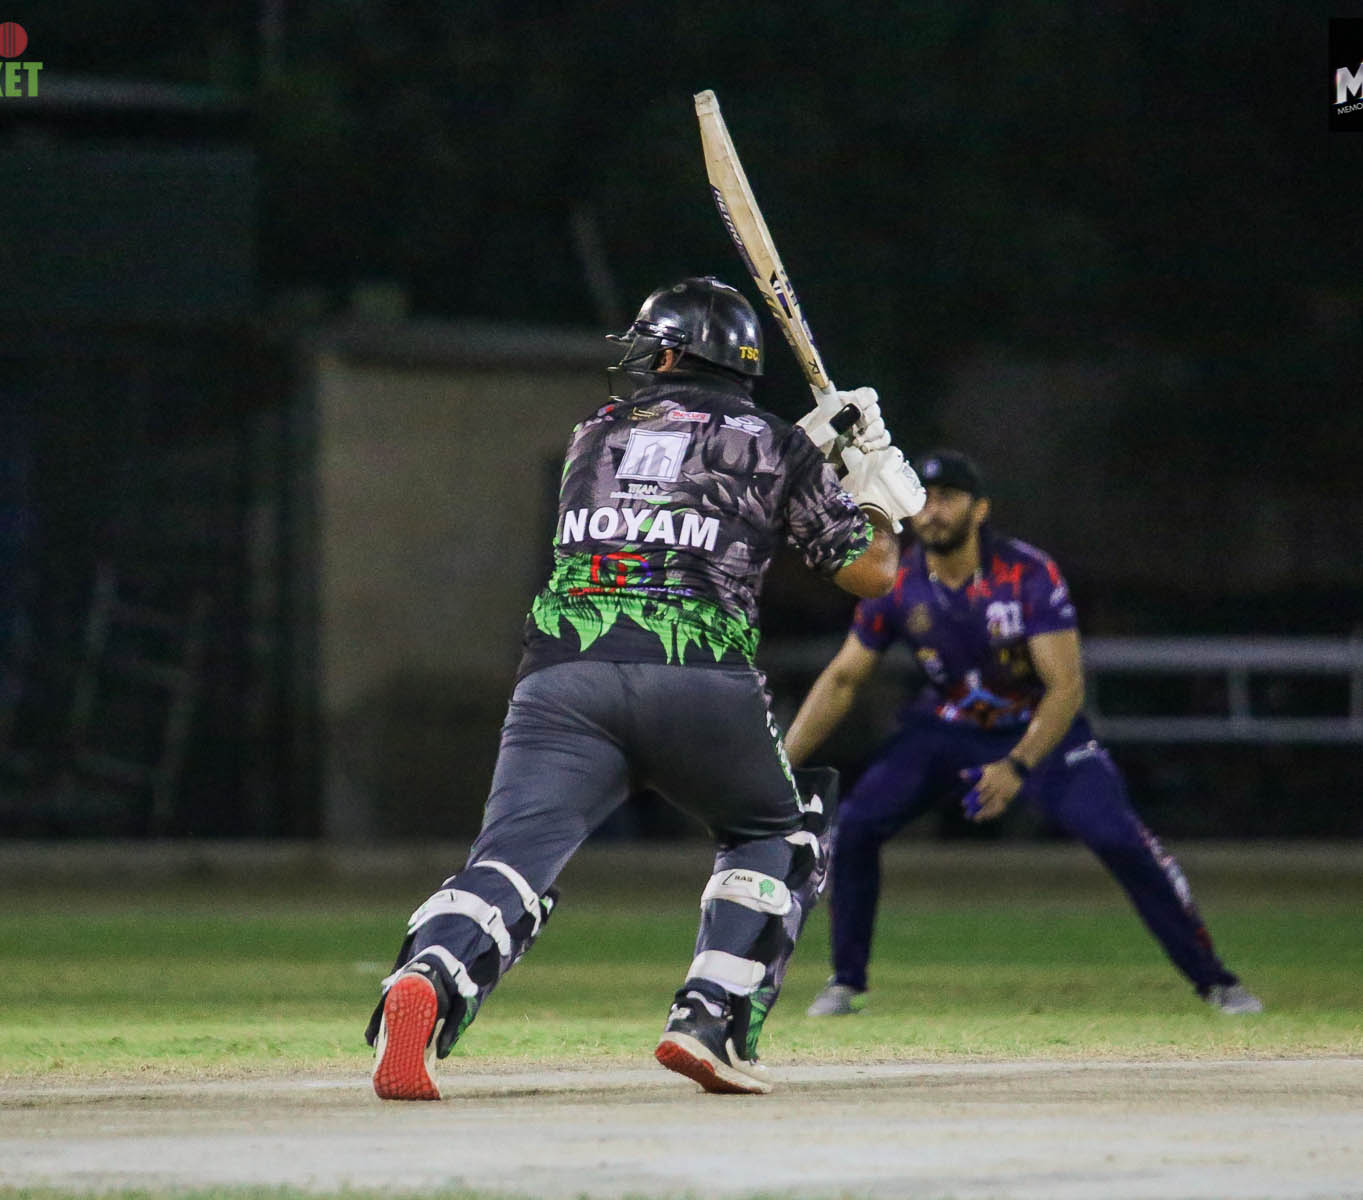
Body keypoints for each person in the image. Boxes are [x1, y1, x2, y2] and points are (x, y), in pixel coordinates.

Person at [365, 276, 927, 1099]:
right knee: (777, 831)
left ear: (668, 355)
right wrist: (871, 490)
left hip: (563, 678)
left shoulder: (594, 432)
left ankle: (430, 974)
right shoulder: (772, 443)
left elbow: (680, 483)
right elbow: (871, 574)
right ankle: (709, 1016)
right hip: (697, 681)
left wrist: (814, 464)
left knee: (510, 860)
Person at [787, 449, 1264, 1018]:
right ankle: (846, 982)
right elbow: (843, 679)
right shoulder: (898, 580)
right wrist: (781, 761)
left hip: (1042, 732)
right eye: (925, 498)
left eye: (949, 498)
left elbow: (1066, 688)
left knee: (1121, 840)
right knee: (856, 826)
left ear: (980, 509)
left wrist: (1016, 765)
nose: (933, 510)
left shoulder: (1026, 573)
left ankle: (1216, 981)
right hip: (949, 728)